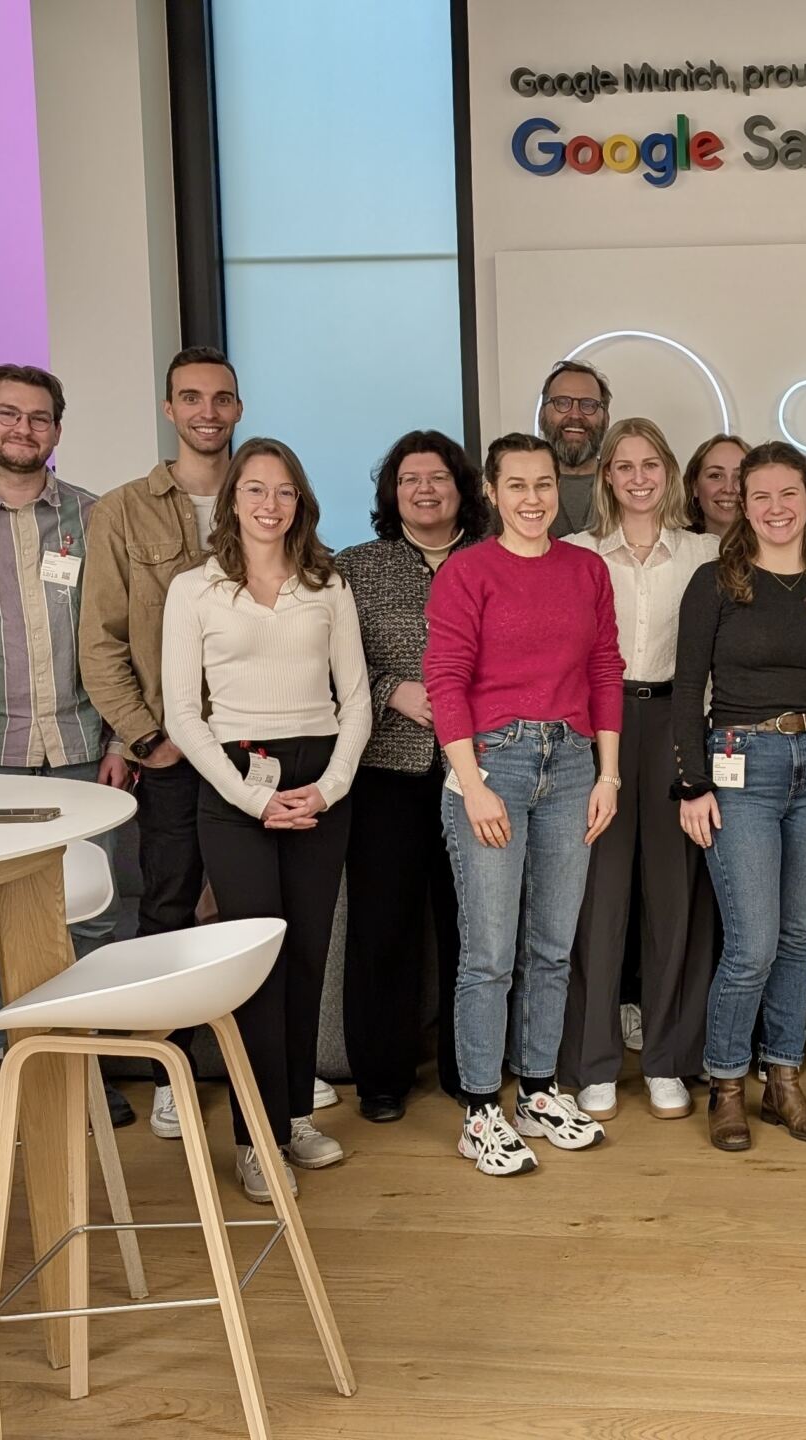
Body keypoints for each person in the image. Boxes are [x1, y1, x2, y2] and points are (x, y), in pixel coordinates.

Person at [0, 364, 130, 1114]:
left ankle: (89, 1060)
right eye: (8, 414)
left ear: (58, 430)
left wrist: (119, 739)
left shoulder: (95, 516)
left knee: (93, 910)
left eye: (39, 418)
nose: (23, 430)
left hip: (80, 743)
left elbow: (115, 635)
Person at [161, 438, 370, 1203]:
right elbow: (183, 714)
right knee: (257, 970)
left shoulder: (328, 584)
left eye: (283, 492)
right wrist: (254, 800)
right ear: (233, 500)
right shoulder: (196, 590)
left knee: (309, 957)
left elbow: (357, 701)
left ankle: (289, 1118)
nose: (269, 505)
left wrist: (331, 787)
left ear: (300, 502)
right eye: (254, 490)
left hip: (319, 787)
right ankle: (254, 1140)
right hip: (235, 787)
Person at [426, 434, 623, 1175]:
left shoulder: (586, 570)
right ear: (492, 490)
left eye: (544, 484)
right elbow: (445, 679)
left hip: (574, 764)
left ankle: (537, 1092)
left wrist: (609, 776)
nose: (534, 499)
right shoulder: (468, 573)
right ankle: (480, 1109)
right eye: (517, 485)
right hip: (493, 767)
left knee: (552, 946)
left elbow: (606, 667)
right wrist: (472, 783)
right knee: (489, 954)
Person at [672, 441, 806, 1152]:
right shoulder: (716, 583)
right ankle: (727, 1083)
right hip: (739, 763)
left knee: (794, 937)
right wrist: (691, 784)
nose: (777, 508)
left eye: (790, 494)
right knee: (752, 942)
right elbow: (687, 688)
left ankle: (783, 1078)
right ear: (741, 505)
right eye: (761, 496)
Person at [80, 346, 246, 1140]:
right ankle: (171, 1071)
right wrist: (148, 737)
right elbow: (102, 641)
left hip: (254, 745)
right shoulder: (121, 511)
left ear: (238, 409)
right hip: (174, 752)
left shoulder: (268, 493)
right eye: (191, 398)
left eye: (220, 398)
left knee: (253, 908)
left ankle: (265, 1066)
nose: (206, 411)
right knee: (172, 905)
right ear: (169, 409)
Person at [561, 419, 720, 1122]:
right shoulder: (576, 554)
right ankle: (594, 1061)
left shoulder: (707, 554)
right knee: (598, 898)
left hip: (679, 722)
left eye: (649, 463)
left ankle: (666, 1060)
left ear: (669, 472)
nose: (637, 476)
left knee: (674, 896)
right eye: (622, 465)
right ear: (606, 478)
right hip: (599, 724)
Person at [333, 430, 489, 1122]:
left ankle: (469, 1068)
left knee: (471, 926)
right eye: (408, 480)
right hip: (386, 770)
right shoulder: (354, 568)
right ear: (390, 494)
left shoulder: (495, 560)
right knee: (383, 927)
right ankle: (382, 1078)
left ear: (462, 488)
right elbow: (323, 664)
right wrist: (391, 686)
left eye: (438, 478)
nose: (424, 490)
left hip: (479, 770)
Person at [537, 360, 611, 537]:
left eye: (588, 405)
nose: (576, 414)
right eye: (562, 403)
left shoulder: (627, 486)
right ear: (541, 416)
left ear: (606, 419)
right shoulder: (507, 490)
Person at [683, 433, 747, 539]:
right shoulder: (674, 551)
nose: (728, 489)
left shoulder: (774, 551)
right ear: (695, 486)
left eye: (739, 477)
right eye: (716, 476)